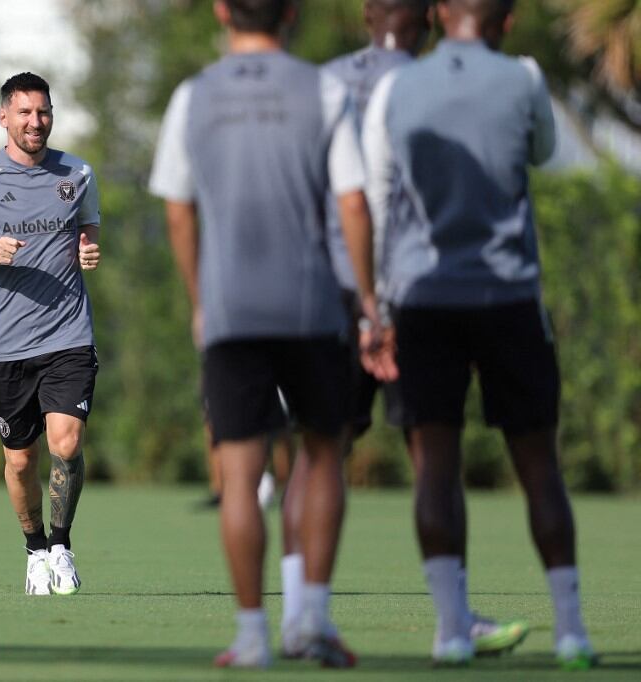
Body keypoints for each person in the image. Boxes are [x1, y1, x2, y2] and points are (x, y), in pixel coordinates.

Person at [281, 0, 529, 660]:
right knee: (432, 452)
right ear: (429, 19)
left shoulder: (321, 81)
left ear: (367, 15)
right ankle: (453, 621)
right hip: (410, 293)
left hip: (327, 291)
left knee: (319, 452)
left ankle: (300, 615)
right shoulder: (428, 85)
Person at [149, 0, 388, 668]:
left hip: (232, 314)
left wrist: (201, 300)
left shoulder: (191, 96)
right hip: (312, 307)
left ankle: (252, 633)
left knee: (240, 474)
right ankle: (310, 617)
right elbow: (353, 201)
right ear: (292, 13)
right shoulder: (325, 89)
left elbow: (177, 211)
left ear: (222, 11)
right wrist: (369, 299)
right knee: (323, 454)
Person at [363, 0, 596, 668]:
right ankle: (572, 631)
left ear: (440, 14)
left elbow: (377, 200)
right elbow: (542, 153)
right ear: (508, 20)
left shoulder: (395, 87)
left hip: (423, 298)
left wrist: (374, 308)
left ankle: (451, 632)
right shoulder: (525, 78)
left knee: (436, 465)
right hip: (510, 297)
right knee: (539, 464)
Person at [0, 72, 101, 597]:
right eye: (25, 112)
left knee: (66, 443)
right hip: (7, 347)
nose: (36, 121)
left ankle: (62, 544)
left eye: (44, 111)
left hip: (69, 335)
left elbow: (88, 224)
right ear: (4, 117)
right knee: (20, 460)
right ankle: (34, 550)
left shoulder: (78, 173)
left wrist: (88, 247)